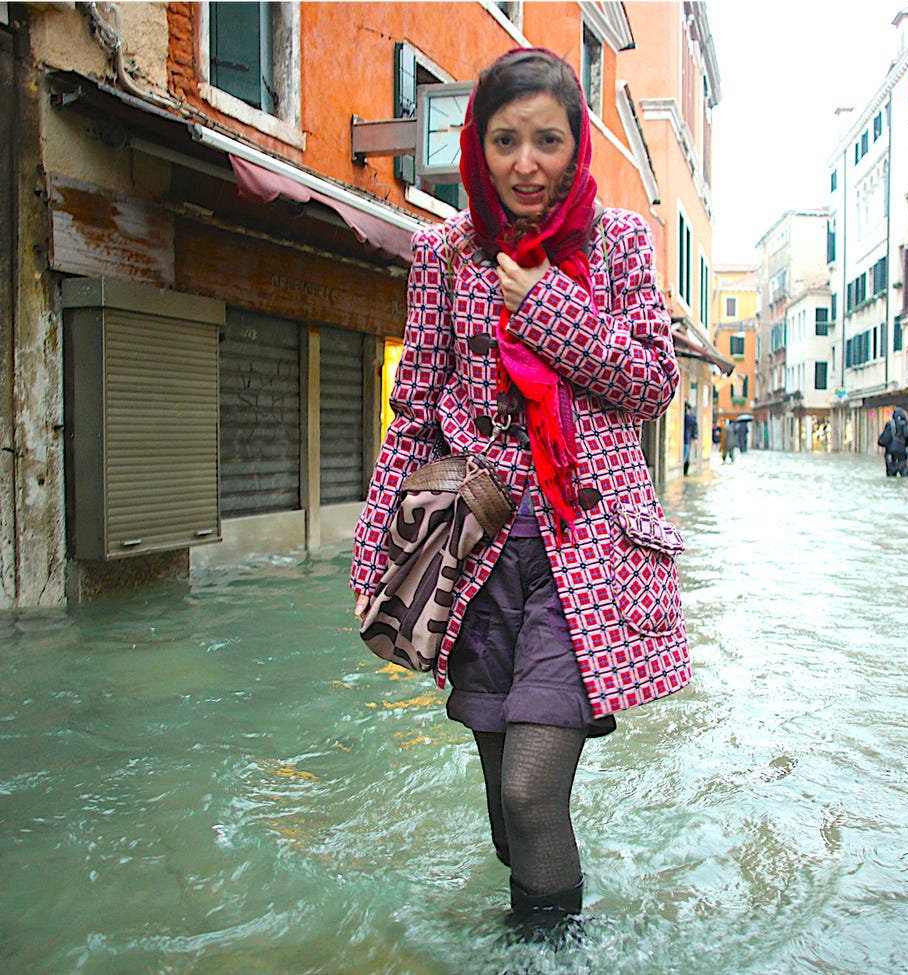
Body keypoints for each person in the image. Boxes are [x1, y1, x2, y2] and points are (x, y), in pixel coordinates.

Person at [350, 48, 688, 940]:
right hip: (473, 555)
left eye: (548, 140)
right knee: (508, 810)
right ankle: (536, 909)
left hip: (588, 560)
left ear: (577, 147)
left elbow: (652, 382)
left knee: (534, 791)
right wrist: (374, 553)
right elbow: (415, 415)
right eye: (506, 140)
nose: (526, 163)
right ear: (480, 144)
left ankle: (547, 957)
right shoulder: (442, 255)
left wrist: (544, 305)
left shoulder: (616, 243)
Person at [876, 406, 908, 476]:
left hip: (891, 452)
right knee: (904, 471)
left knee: (891, 472)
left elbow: (884, 438)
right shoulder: (905, 424)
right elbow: (907, 438)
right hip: (902, 452)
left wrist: (881, 442)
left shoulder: (890, 424)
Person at [683, 404, 697, 475]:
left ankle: (684, 470)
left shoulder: (684, 417)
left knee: (685, 455)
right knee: (685, 456)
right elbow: (695, 428)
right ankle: (684, 471)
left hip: (684, 439)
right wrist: (695, 437)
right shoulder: (691, 417)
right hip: (687, 440)